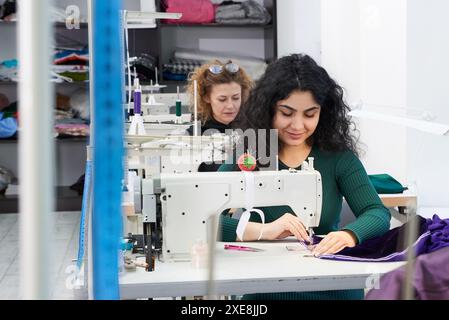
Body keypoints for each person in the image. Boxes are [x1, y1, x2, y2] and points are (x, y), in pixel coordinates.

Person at [218, 53, 391, 300]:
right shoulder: (252, 153)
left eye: (310, 114)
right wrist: (264, 230)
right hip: (268, 289)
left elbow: (377, 213)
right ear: (268, 110)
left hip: (333, 287)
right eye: (287, 113)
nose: (298, 125)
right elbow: (203, 221)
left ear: (324, 112)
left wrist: (348, 234)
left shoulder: (338, 158)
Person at [185, 60, 253, 171]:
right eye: (222, 99)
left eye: (236, 98)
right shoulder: (195, 136)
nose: (230, 106)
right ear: (206, 97)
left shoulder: (251, 128)